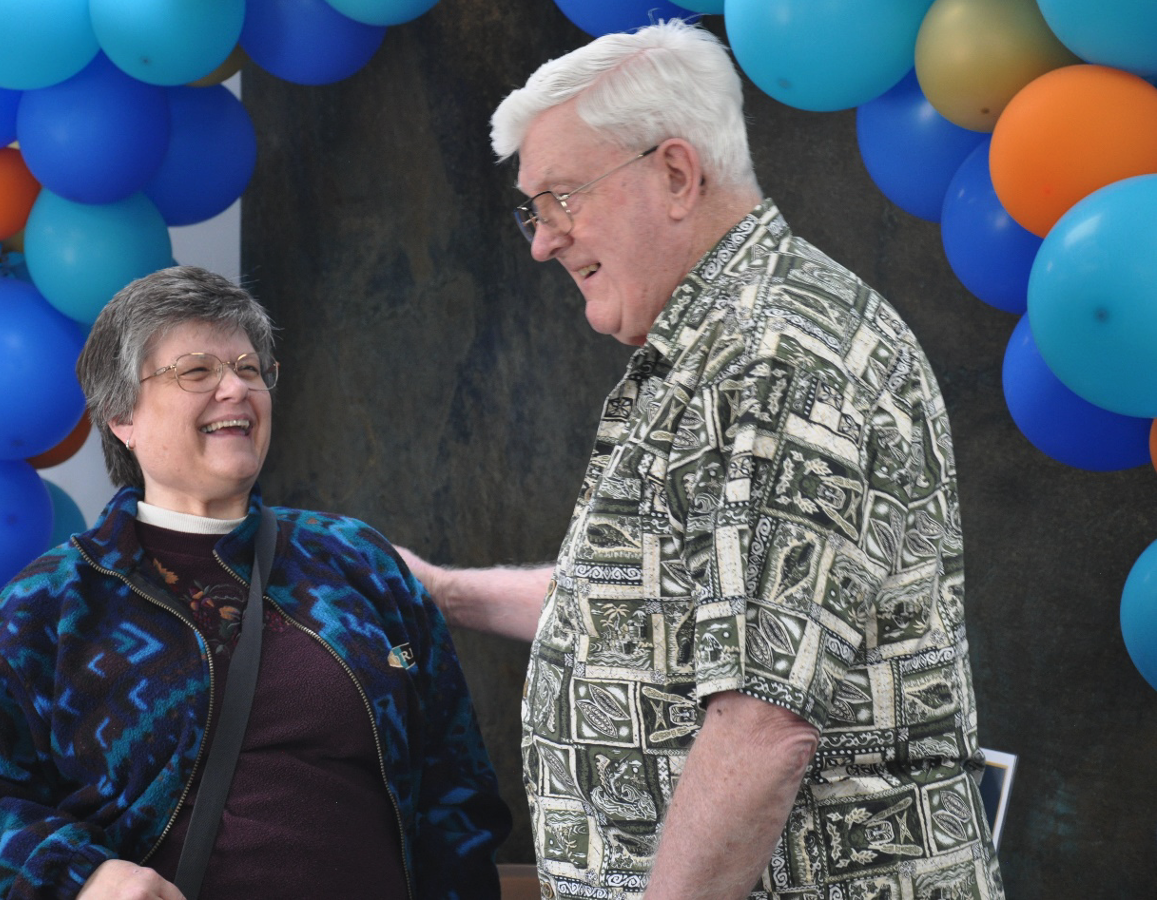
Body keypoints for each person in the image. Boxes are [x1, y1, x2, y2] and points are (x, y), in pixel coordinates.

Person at [397, 19, 1005, 900]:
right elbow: (670, 611)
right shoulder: (720, 345)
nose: (541, 240)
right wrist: (445, 591)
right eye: (533, 208)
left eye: (562, 197)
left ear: (676, 174)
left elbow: (762, 727)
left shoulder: (779, 360)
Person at [0, 266, 511, 900]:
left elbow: (458, 790)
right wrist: (83, 878)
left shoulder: (355, 559)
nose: (236, 389)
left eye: (250, 369)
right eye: (197, 372)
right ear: (121, 416)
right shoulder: (51, 603)